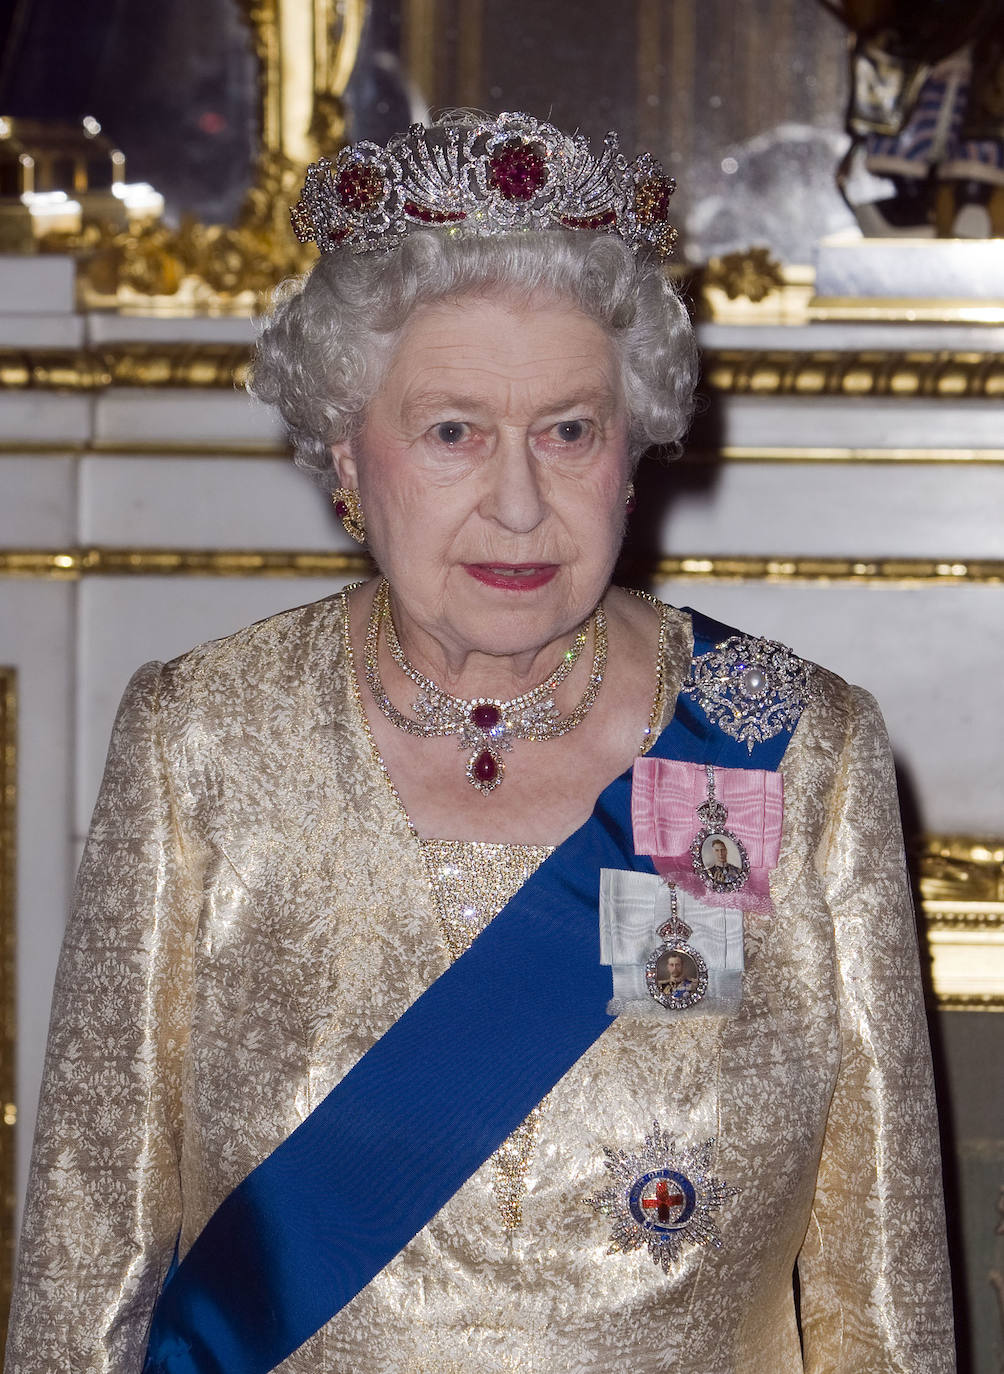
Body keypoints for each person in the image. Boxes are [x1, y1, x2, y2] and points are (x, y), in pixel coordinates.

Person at [5, 111, 954, 1373]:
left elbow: (878, 1288)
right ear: (348, 455)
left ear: (629, 458)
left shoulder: (787, 746)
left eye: (566, 431)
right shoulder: (203, 739)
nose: (518, 504)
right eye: (452, 431)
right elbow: (86, 1258)